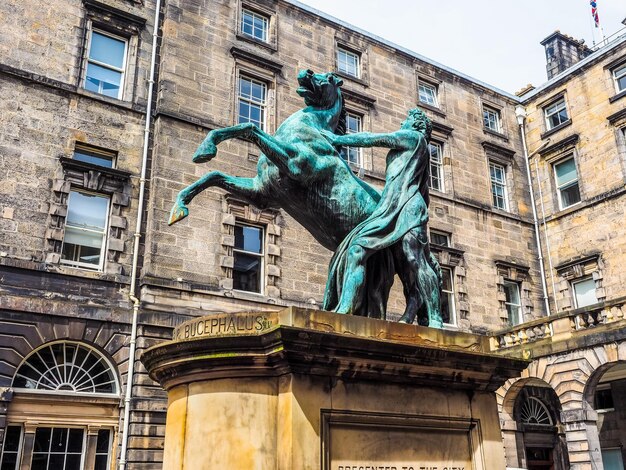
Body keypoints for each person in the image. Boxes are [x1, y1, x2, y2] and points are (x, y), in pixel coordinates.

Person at [322, 108, 442, 327]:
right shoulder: (417, 150)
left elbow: (374, 139)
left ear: (417, 125)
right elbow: (425, 192)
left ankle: (435, 318)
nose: (403, 122)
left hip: (407, 206)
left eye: (407, 120)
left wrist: (337, 138)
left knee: (414, 260)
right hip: (390, 207)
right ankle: (345, 308)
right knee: (357, 248)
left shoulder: (413, 137)